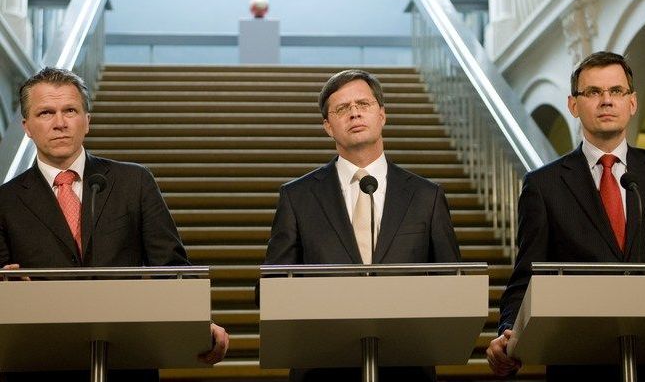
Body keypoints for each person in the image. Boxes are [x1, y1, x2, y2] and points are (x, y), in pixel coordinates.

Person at [0, 67, 229, 382]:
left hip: (128, 356)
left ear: (87, 121)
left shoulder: (133, 181)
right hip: (39, 361)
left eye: (70, 110)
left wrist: (196, 321)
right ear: (26, 127)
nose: (59, 123)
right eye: (45, 113)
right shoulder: (6, 200)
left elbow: (171, 266)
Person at [485, 51, 645, 380]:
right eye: (593, 92)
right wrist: (507, 332)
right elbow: (526, 277)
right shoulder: (543, 186)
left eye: (616, 91)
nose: (606, 101)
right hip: (580, 359)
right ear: (574, 105)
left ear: (632, 102)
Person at [264, 69, 461, 381]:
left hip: (407, 365)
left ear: (382, 115)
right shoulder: (297, 196)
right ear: (328, 127)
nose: (354, 112)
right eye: (341, 108)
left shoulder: (427, 196)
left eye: (363, 104)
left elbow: (452, 282)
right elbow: (270, 287)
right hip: (321, 367)